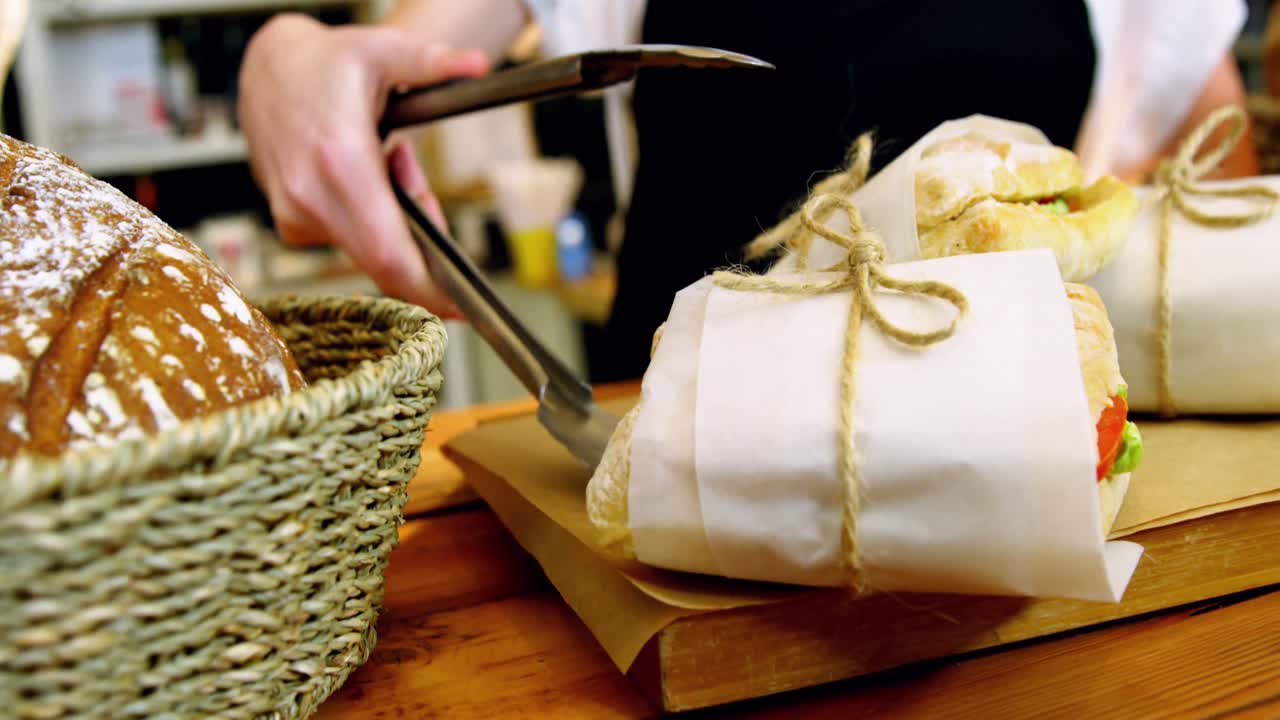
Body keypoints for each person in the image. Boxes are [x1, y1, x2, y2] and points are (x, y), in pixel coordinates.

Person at [239, 0, 1259, 382]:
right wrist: (289, 53)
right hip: (676, 474)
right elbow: (410, 55)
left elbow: (1218, 215)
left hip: (1023, 475)